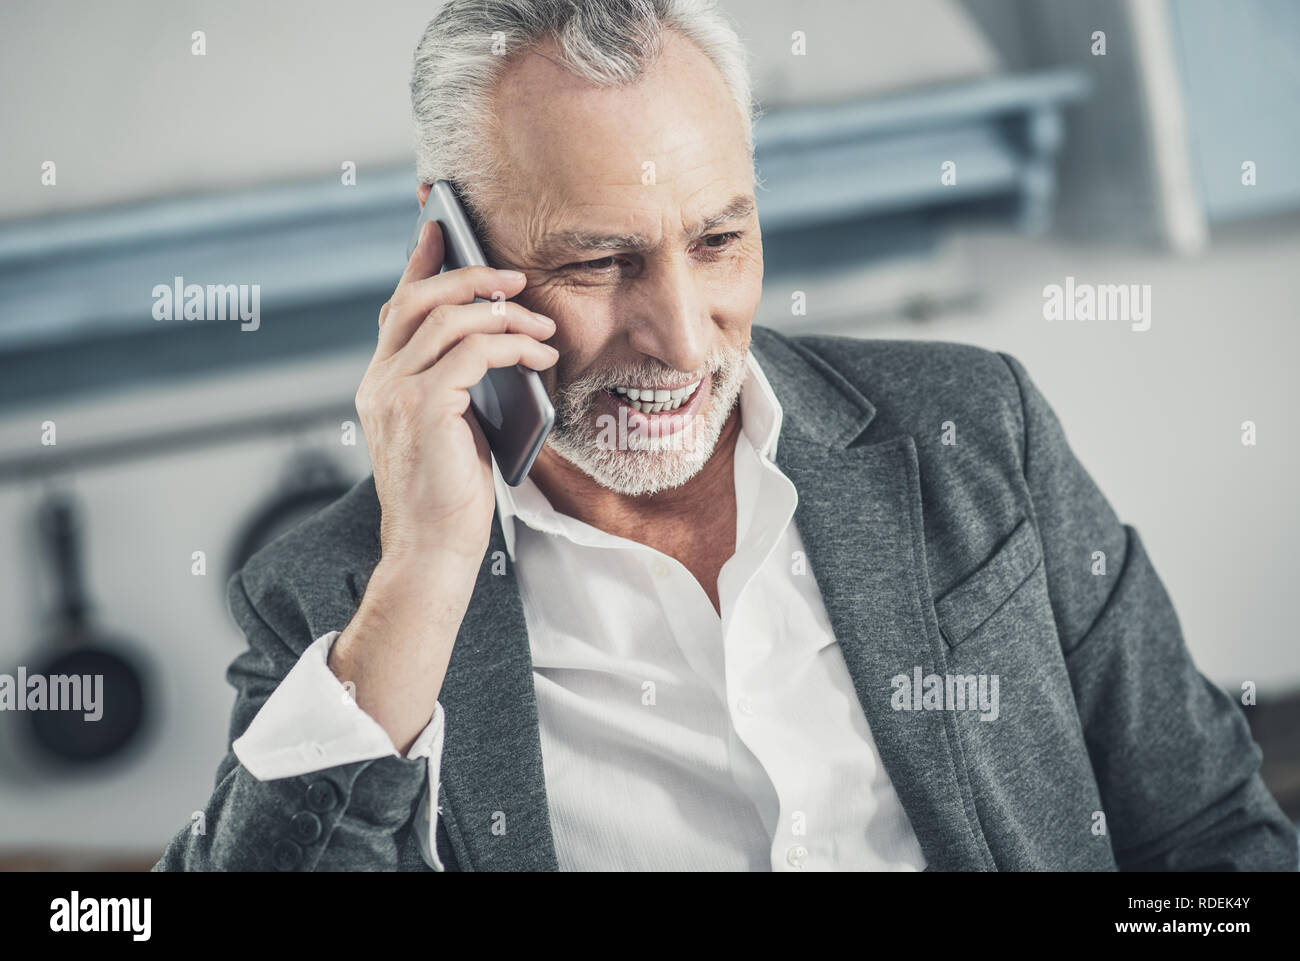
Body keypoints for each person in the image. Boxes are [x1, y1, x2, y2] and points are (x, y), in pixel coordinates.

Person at [154, 0, 1296, 872]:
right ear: (452, 248)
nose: (685, 339)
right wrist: (429, 570)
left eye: (717, 241)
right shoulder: (337, 602)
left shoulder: (973, 427)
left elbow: (1209, 836)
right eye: (599, 262)